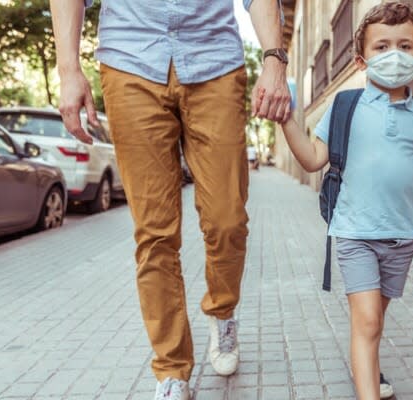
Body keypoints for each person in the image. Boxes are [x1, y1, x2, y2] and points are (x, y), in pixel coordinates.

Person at [49, 1, 291, 399]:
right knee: (154, 233)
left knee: (227, 218)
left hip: (215, 62)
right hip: (130, 62)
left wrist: (274, 59)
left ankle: (222, 308)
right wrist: (68, 69)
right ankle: (171, 371)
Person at [279, 3, 413, 399]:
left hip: (403, 237)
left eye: (405, 46)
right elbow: (313, 158)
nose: (394, 55)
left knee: (374, 320)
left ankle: (367, 370)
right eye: (382, 47)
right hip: (355, 232)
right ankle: (367, 389)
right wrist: (286, 120)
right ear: (360, 60)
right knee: (368, 321)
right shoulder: (344, 108)